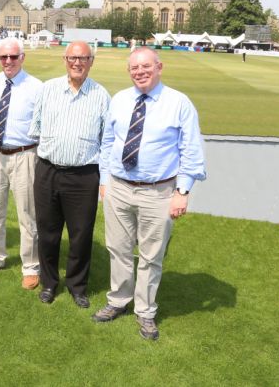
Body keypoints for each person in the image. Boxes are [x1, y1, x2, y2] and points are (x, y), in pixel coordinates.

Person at [93, 47, 206, 340]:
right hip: (118, 187)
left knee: (151, 255)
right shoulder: (119, 100)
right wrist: (105, 179)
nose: (140, 72)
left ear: (159, 67)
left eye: (146, 66)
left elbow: (190, 150)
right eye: (134, 68)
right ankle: (118, 300)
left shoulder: (178, 103)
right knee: (117, 249)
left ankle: (145, 312)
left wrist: (182, 191)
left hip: (158, 192)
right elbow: (107, 143)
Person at [29, 41, 110, 308]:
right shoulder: (48, 89)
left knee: (80, 233)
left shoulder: (101, 95)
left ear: (91, 62)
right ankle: (49, 283)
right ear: (65, 59)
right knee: (48, 231)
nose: (78, 63)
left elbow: (106, 140)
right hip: (48, 171)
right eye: (73, 58)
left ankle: (77, 286)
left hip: (83, 176)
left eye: (84, 58)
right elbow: (36, 125)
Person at [0, 38, 42, 289]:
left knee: (28, 214)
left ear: (22, 57)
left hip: (25, 155)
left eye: (13, 57)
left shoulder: (36, 87)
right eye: (3, 57)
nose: (8, 61)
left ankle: (31, 266)